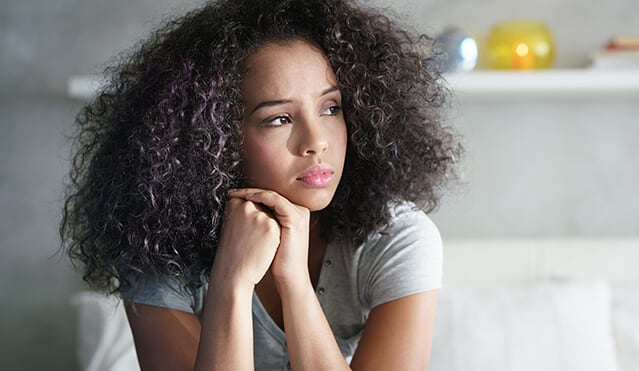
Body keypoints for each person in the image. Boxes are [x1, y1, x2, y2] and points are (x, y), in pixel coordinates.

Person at [60, 0, 461, 370]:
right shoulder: (155, 248)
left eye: (330, 108)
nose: (316, 141)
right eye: (279, 119)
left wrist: (294, 282)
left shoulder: (397, 238)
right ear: (212, 138)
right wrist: (231, 283)